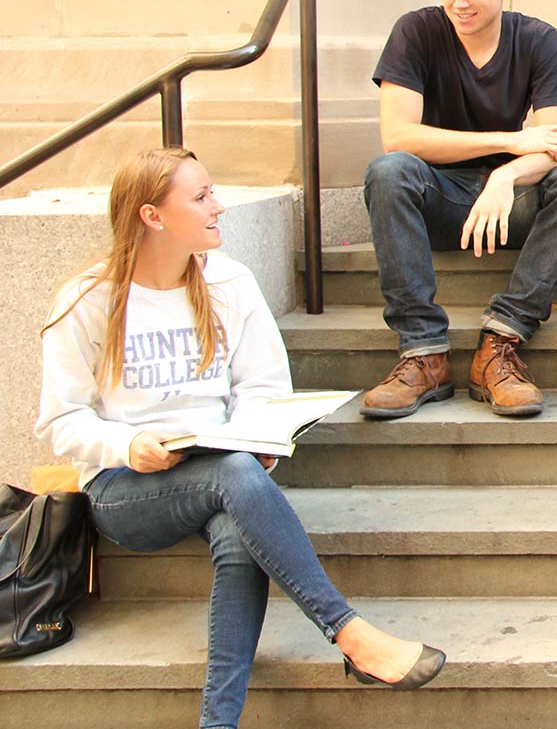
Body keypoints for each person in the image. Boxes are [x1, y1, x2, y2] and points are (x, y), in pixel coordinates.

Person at [36, 148, 445, 729]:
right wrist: (129, 447)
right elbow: (61, 422)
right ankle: (349, 632)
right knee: (234, 476)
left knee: (237, 528)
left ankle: (218, 722)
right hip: (125, 489)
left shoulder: (228, 281)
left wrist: (258, 438)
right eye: (201, 196)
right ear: (153, 217)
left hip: (220, 467)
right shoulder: (87, 300)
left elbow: (262, 386)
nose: (218, 205)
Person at [361, 0, 557, 419]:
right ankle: (423, 352)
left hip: (509, 206)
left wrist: (504, 176)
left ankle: (500, 346)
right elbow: (399, 136)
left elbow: (556, 144)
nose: (459, 3)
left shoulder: (536, 39)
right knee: (389, 171)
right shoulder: (416, 31)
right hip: (441, 198)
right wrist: (508, 142)